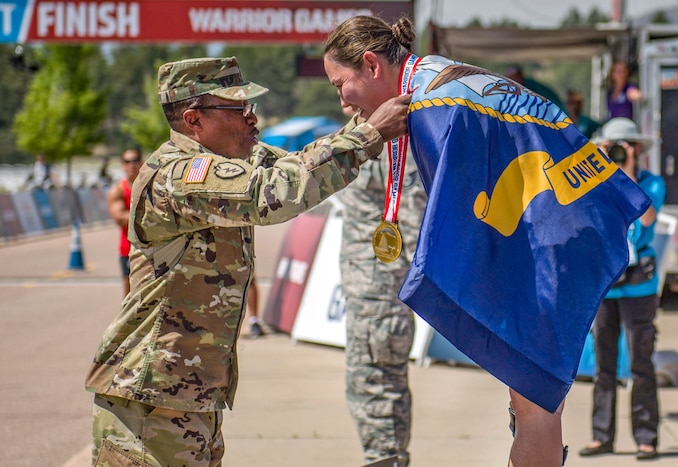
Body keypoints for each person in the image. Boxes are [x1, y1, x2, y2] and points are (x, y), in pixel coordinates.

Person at [323, 15, 650, 467]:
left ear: (372, 65)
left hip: (545, 244)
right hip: (567, 228)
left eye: (341, 84)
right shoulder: (447, 78)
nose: (341, 101)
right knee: (532, 401)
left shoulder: (433, 106)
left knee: (536, 404)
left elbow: (462, 220)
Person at [85, 55, 411, 466]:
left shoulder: (231, 161)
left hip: (187, 394)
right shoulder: (178, 175)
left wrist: (365, 120)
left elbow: (301, 164)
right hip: (149, 400)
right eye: (238, 108)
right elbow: (271, 194)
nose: (251, 118)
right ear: (194, 120)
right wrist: (368, 134)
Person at [336, 98, 427, 466]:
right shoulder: (365, 132)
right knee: (366, 382)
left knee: (378, 384)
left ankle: (387, 459)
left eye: (345, 83)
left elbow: (413, 216)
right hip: (367, 293)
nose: (342, 97)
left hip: (382, 296)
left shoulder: (396, 139)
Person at [579, 117, 666, 461]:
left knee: (641, 361)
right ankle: (602, 436)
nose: (617, 153)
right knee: (604, 364)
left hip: (639, 287)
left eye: (625, 148)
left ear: (638, 150)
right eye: (612, 147)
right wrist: (604, 167)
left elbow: (645, 218)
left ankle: (646, 437)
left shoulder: (652, 183)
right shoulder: (596, 183)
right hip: (606, 283)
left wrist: (627, 169)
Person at [106, 148, 143, 297]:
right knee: (130, 296)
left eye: (135, 161)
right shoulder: (118, 190)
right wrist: (152, 216)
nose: (131, 165)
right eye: (127, 162)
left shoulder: (151, 187)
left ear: (141, 163)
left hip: (152, 248)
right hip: (128, 249)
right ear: (122, 165)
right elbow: (120, 218)